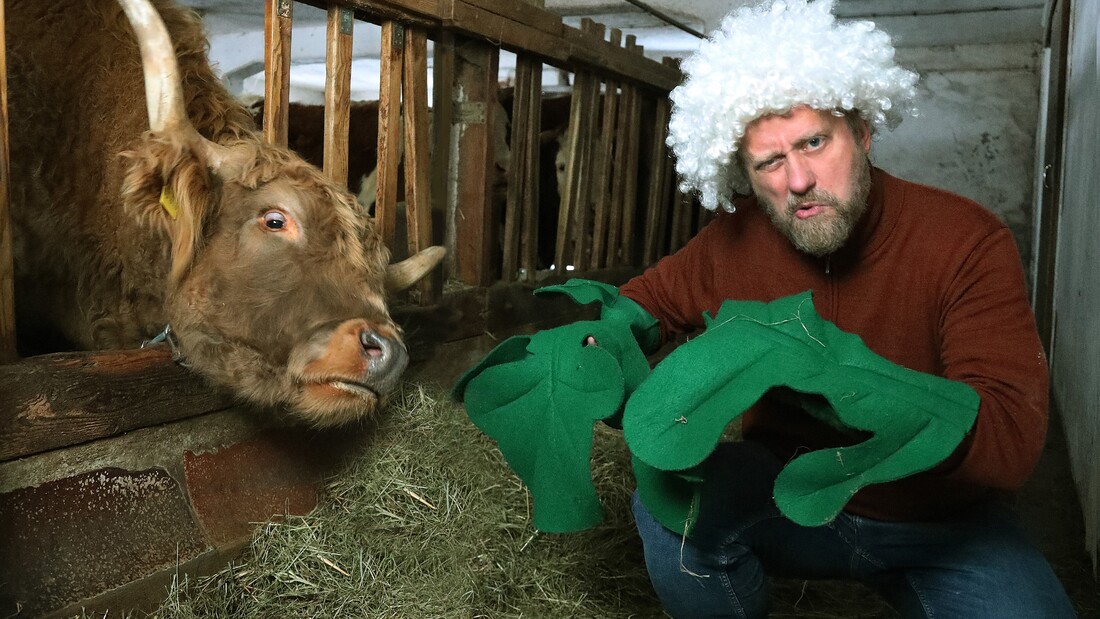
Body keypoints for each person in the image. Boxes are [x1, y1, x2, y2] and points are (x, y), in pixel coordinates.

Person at [615, 0, 1077, 617]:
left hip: (938, 521)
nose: (798, 179)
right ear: (745, 174)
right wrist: (602, 337)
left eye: (813, 142)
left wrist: (848, 379)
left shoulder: (967, 240)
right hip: (786, 496)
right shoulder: (733, 241)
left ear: (860, 131)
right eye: (770, 162)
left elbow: (1011, 439)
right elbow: (648, 302)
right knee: (669, 500)